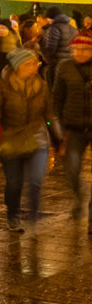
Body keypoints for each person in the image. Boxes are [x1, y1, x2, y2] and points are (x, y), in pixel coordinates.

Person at [0, 47, 56, 232]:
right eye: (29, 64)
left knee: (35, 179)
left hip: (36, 138)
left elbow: (49, 114)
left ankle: (33, 215)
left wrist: (57, 136)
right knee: (14, 181)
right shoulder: (2, 85)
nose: (34, 67)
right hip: (10, 140)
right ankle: (13, 214)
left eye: (35, 63)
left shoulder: (41, 85)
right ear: (17, 66)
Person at [54, 31, 92, 225]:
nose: (80, 52)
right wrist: (54, 126)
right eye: (77, 48)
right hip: (73, 126)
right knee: (72, 168)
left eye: (85, 49)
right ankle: (79, 197)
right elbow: (57, 98)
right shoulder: (65, 67)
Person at [40, 6, 76, 84]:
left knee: (56, 91)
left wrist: (41, 47)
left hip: (57, 65)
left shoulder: (54, 28)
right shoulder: (73, 28)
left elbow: (50, 50)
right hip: (72, 65)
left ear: (50, 18)